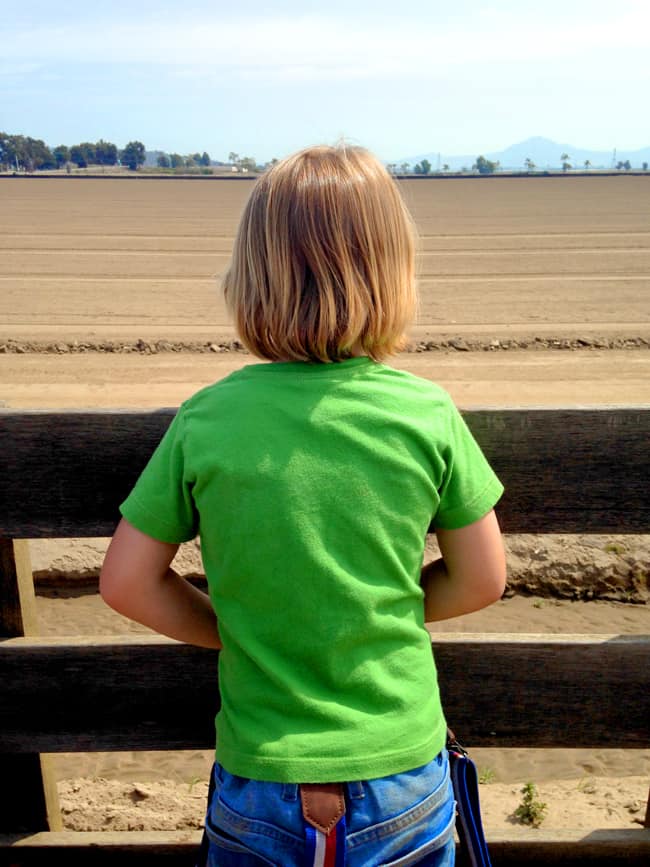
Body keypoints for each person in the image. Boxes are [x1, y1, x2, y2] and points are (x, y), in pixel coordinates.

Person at [100, 144, 506, 866]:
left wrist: (239, 628)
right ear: (394, 270)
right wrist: (377, 610)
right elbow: (481, 579)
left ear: (251, 276)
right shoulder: (426, 414)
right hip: (400, 777)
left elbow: (126, 582)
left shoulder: (207, 419)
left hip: (261, 780)